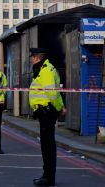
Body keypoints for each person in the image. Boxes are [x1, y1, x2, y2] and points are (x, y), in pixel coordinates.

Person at [29, 48, 66, 187]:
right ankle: (46, 176)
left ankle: (49, 178)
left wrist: (59, 108)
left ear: (37, 58)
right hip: (44, 112)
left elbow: (52, 94)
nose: (31, 59)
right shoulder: (43, 69)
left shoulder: (46, 70)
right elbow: (56, 92)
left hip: (47, 112)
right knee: (46, 146)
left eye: (32, 57)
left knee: (48, 147)